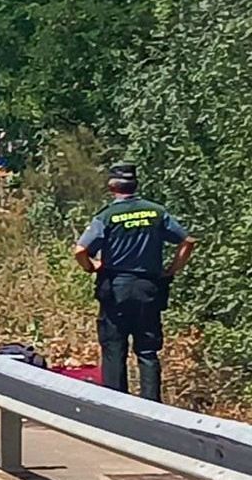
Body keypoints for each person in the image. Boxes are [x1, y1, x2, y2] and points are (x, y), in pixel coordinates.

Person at [74, 163, 196, 402]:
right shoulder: (156, 212)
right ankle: (152, 408)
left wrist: (92, 266)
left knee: (114, 349)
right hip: (148, 289)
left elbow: (80, 250)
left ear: (112, 187)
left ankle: (117, 407)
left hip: (116, 289)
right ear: (135, 185)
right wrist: (170, 270)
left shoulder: (107, 216)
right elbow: (188, 241)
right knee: (148, 351)